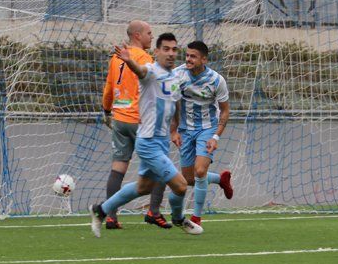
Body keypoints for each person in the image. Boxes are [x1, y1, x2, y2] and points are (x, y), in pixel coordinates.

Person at [90, 37, 203, 237]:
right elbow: (140, 71)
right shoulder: (150, 71)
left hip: (161, 142)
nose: (171, 53)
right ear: (157, 52)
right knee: (181, 185)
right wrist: (129, 60)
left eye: (174, 49)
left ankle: (100, 210)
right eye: (166, 49)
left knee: (143, 187)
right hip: (148, 142)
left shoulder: (175, 76)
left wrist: (174, 130)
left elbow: (175, 103)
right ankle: (178, 219)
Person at [100, 22, 170, 230]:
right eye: (149, 33)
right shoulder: (144, 59)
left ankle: (111, 216)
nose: (152, 36)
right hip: (139, 120)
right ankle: (153, 212)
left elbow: (109, 87)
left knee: (118, 167)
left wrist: (106, 110)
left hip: (120, 119)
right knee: (162, 165)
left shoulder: (116, 57)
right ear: (138, 36)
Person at [170, 41, 234, 226]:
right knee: (188, 179)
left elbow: (225, 110)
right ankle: (220, 179)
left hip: (207, 129)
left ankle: (196, 217)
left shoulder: (216, 80)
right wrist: (173, 131)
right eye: (187, 55)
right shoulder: (177, 75)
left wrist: (216, 136)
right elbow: (173, 104)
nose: (188, 59)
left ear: (204, 59)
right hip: (185, 130)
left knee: (199, 171)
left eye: (193, 56)